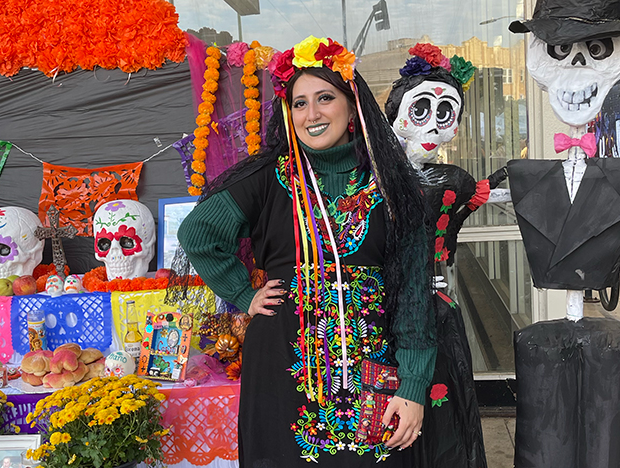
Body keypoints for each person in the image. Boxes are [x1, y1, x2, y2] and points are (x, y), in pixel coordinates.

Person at [176, 36, 436, 467]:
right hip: (283, 370)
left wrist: (413, 387)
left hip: (374, 372)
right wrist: (244, 294)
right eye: (299, 103)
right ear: (287, 113)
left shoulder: (389, 184)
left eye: (324, 98)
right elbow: (198, 233)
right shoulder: (267, 177)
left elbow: (412, 295)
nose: (312, 114)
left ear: (352, 105)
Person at [384, 43, 505, 468]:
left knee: (443, 399)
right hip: (380, 309)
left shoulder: (454, 178)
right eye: (421, 110)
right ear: (394, 116)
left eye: (445, 112)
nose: (433, 125)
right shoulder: (373, 178)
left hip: (434, 304)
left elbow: (469, 207)